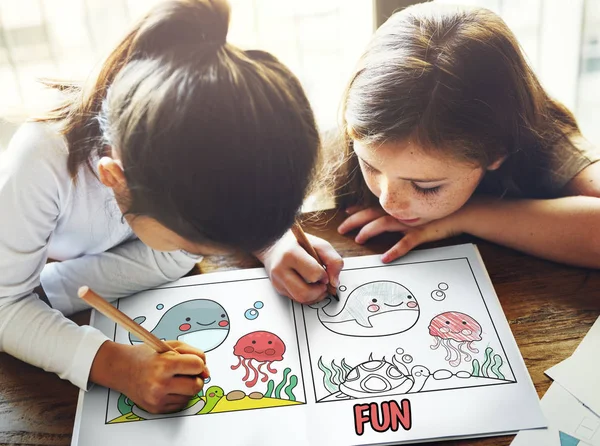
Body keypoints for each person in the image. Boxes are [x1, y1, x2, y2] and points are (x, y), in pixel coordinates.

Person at [0, 0, 332, 414]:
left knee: (173, 259)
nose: (213, 252)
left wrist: (272, 243)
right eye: (197, 243)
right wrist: (115, 364)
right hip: (21, 275)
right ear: (114, 179)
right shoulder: (40, 161)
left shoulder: (219, 108)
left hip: (79, 274)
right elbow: (5, 305)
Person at [265, 2, 600, 307]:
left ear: (496, 152)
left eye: (426, 187)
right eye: (370, 165)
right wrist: (272, 244)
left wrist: (468, 215)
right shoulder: (359, 128)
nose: (389, 202)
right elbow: (228, 183)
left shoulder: (544, 138)